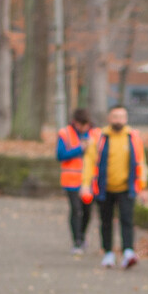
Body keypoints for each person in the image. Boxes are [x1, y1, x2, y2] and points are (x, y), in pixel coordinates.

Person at [87, 105, 147, 268]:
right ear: (109, 118)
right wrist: (85, 185)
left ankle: (128, 251)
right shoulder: (100, 137)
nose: (118, 120)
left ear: (126, 119)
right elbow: (89, 161)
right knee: (105, 221)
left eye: (121, 117)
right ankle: (108, 253)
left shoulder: (133, 137)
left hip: (127, 187)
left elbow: (141, 163)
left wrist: (142, 188)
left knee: (127, 220)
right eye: (115, 116)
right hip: (104, 189)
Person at [55, 108, 99, 256]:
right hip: (71, 181)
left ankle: (82, 235)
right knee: (76, 210)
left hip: (90, 181)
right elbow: (60, 155)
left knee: (87, 211)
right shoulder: (65, 133)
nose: (83, 128)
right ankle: (77, 240)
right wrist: (80, 149)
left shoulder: (96, 133)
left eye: (85, 125)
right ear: (75, 122)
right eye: (81, 125)